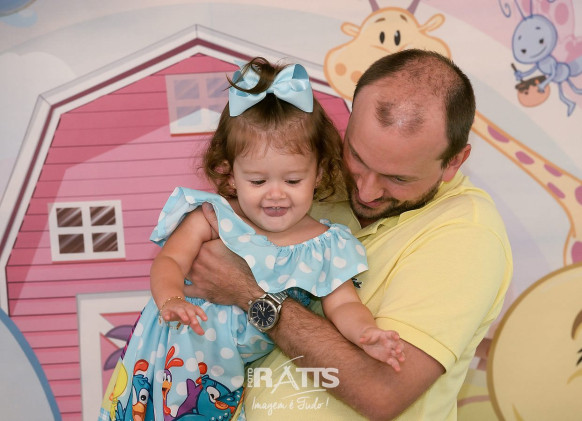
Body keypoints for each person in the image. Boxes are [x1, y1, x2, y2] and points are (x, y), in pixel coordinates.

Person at [184, 49, 513, 420]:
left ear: (454, 161)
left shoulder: (468, 233)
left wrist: (251, 295)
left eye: (397, 178)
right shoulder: (310, 181)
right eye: (357, 156)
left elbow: (382, 392)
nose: (367, 191)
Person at [98, 57, 406, 421]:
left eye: (292, 180)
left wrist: (367, 333)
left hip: (223, 381)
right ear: (230, 174)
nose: (275, 194)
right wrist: (172, 298)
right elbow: (170, 261)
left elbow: (343, 306)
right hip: (164, 354)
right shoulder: (214, 217)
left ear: (320, 173)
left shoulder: (326, 246)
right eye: (258, 181)